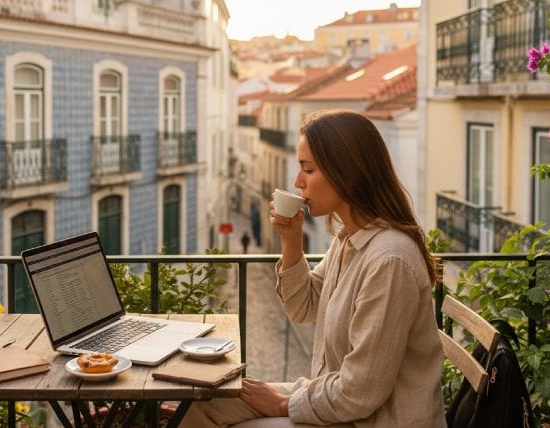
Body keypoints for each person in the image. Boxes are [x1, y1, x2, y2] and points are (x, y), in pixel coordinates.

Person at [181, 109, 446, 427]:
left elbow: (360, 392)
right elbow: (304, 308)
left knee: (210, 410)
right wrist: (291, 241)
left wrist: (283, 404)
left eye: (308, 169)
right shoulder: (350, 238)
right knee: (201, 404)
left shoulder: (389, 260)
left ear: (346, 174)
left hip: (374, 420)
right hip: (341, 406)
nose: (297, 181)